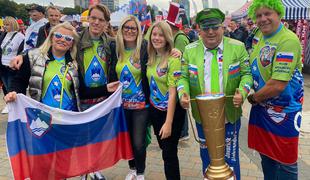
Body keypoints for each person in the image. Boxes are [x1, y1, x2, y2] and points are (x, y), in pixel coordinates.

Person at [178, 8, 253, 180]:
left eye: (215, 27)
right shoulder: (189, 50)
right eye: (206, 28)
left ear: (222, 27)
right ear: (199, 30)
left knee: (231, 162)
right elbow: (183, 78)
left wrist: (242, 92)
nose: (210, 32)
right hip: (202, 117)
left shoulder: (237, 47)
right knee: (208, 161)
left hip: (229, 116)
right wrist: (183, 93)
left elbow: (247, 75)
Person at [247, 0, 304, 179]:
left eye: (267, 14)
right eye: (258, 15)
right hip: (263, 110)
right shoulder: (261, 37)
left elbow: (278, 85)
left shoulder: (287, 40)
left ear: (279, 14)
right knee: (267, 158)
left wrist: (253, 98)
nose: (262, 19)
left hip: (284, 113)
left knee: (286, 163)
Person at [4, 22, 80, 113]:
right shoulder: (33, 57)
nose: (63, 40)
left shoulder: (76, 61)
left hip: (69, 115)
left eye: (68, 38)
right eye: (58, 35)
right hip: (42, 115)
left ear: (72, 44)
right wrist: (13, 92)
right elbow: (20, 81)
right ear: (51, 38)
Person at [111, 15, 149, 180]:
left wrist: (176, 51)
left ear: (138, 31)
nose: (129, 31)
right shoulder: (115, 48)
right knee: (127, 139)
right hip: (121, 104)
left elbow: (164, 51)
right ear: (121, 30)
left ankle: (140, 172)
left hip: (141, 105)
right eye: (126, 27)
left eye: (133, 28)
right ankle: (132, 169)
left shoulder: (145, 48)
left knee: (138, 141)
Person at [147, 21, 185, 180]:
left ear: (168, 37)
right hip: (155, 111)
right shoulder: (150, 56)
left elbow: (173, 94)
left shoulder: (173, 59)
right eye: (154, 34)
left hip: (172, 113)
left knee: (169, 154)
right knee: (165, 150)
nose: (157, 38)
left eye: (161, 35)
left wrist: (168, 123)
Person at [166, 2, 190, 141]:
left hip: (180, 76)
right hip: (175, 75)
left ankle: (184, 131)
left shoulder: (180, 38)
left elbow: (183, 57)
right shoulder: (175, 37)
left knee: (182, 103)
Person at [0, 16, 24, 114]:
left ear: (13, 24)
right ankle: (9, 105)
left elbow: (22, 51)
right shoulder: (4, 35)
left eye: (7, 24)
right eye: (4, 24)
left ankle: (15, 106)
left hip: (12, 67)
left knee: (12, 87)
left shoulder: (20, 36)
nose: (5, 26)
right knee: (6, 87)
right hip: (2, 66)